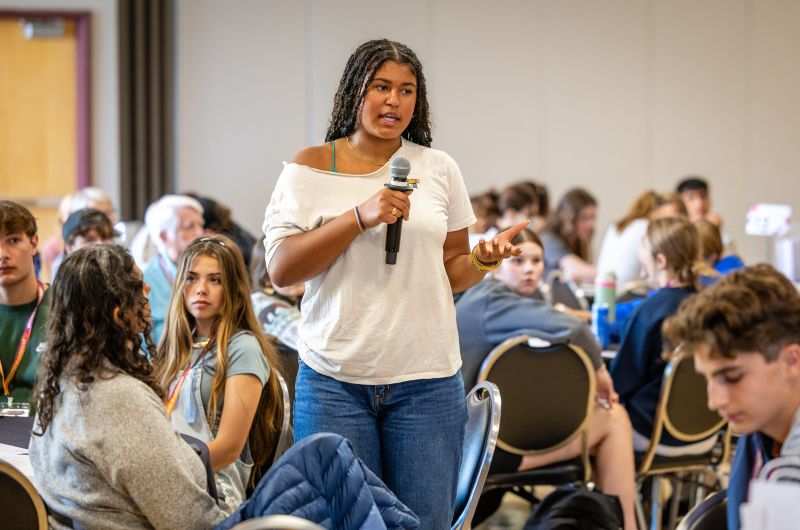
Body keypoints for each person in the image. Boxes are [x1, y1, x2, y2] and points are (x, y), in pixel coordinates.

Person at [262, 38, 527, 530]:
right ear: (354, 92)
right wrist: (359, 217)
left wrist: (483, 260)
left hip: (426, 382)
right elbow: (281, 270)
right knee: (345, 522)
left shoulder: (438, 167)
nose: (394, 101)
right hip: (334, 380)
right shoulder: (309, 167)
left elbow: (452, 271)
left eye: (407, 91)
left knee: (424, 523)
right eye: (381, 86)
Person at [29, 244, 418, 530]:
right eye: (138, 287)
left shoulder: (64, 386)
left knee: (329, 454)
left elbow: (221, 451)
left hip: (215, 488)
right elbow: (187, 515)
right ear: (117, 313)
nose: (149, 293)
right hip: (210, 517)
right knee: (329, 455)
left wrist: (179, 461)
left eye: (214, 280)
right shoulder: (120, 396)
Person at [456, 228, 637, 530]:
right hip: (481, 451)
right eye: (518, 261)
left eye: (537, 261)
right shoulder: (493, 302)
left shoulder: (483, 298)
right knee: (615, 418)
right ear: (497, 266)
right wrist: (601, 371)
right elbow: (578, 331)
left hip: (475, 440)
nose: (529, 269)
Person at [662, 264, 800, 530]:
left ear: (792, 361)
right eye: (708, 378)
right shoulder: (759, 433)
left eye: (732, 377)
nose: (716, 402)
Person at [154, 235, 283, 513]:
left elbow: (228, 448)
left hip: (216, 492)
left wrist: (163, 473)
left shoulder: (242, 347)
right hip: (170, 479)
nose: (201, 289)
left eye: (215, 280)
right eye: (191, 278)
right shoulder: (175, 348)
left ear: (233, 288)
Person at [610, 217, 712, 455]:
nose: (643, 272)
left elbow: (621, 384)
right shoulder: (713, 306)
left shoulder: (650, 312)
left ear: (661, 260)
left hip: (653, 431)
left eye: (644, 262)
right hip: (707, 431)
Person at [0, 201, 50, 406]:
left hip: (47, 433)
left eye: (13, 240)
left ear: (34, 243)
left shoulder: (67, 308)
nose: (3, 254)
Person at [142, 194, 205, 344]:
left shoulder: (211, 271)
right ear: (164, 237)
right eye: (190, 227)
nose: (200, 233)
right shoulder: (145, 280)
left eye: (200, 225)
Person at [596, 190, 685, 291]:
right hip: (627, 293)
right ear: (674, 210)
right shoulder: (649, 230)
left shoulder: (617, 225)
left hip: (603, 291)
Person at [540, 187, 598, 283]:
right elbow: (579, 270)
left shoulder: (576, 241)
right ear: (566, 216)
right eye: (584, 218)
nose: (590, 225)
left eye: (593, 218)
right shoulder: (549, 239)